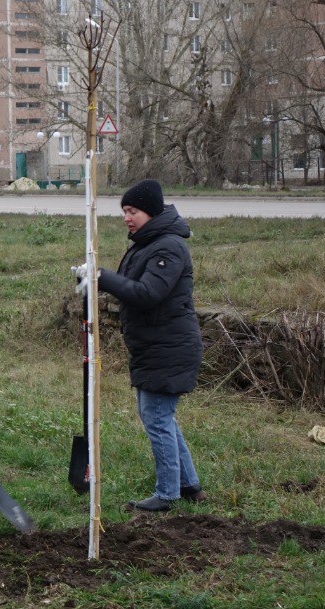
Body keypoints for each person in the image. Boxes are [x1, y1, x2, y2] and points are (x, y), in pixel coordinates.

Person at [89, 179, 205, 512]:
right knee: (160, 416)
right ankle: (189, 485)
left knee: (156, 417)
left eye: (133, 211)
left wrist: (102, 276)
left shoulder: (169, 247)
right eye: (124, 211)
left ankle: (167, 494)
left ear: (151, 212)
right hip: (154, 346)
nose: (127, 217)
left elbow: (147, 293)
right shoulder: (146, 244)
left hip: (169, 347)